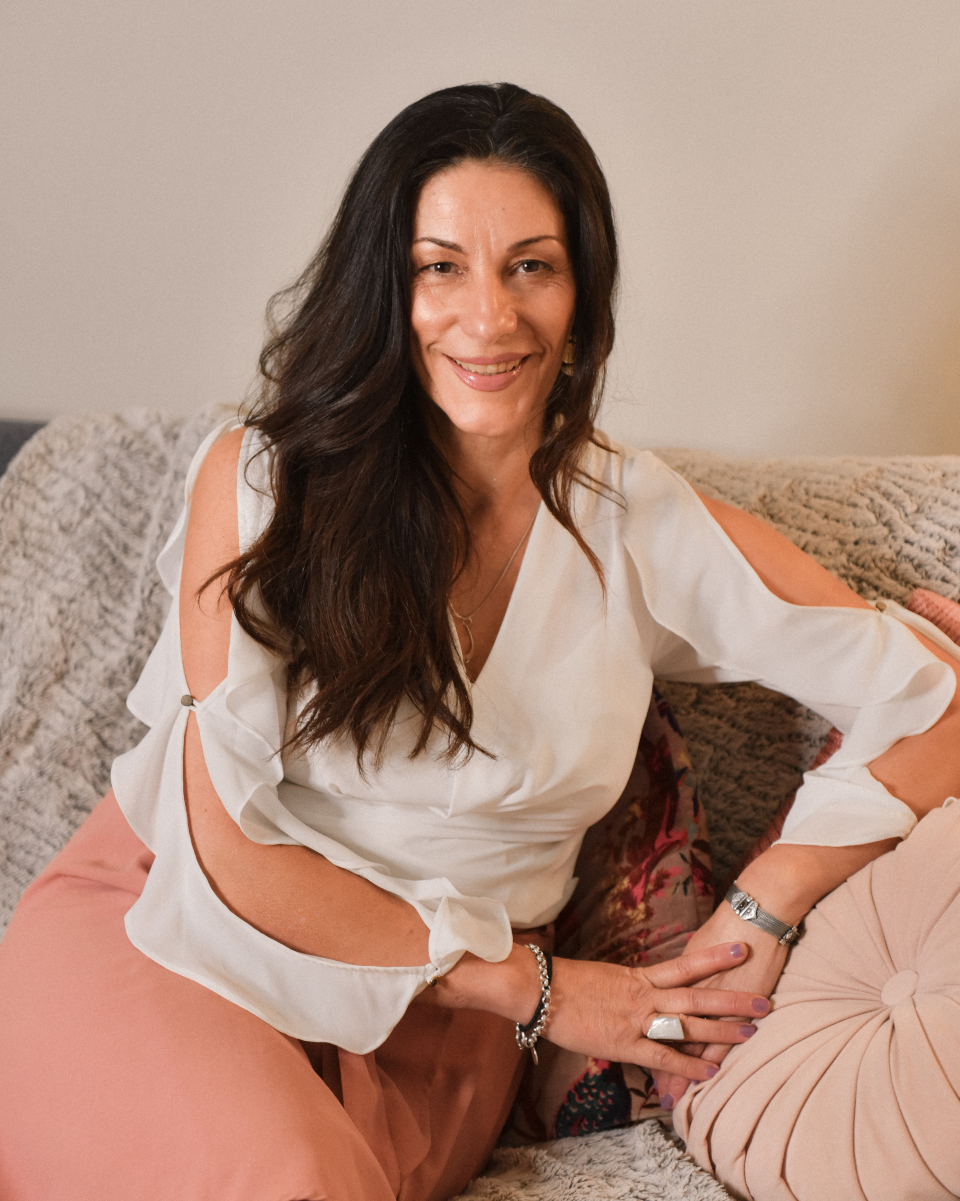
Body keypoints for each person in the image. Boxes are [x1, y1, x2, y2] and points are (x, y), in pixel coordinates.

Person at [0, 82, 958, 1201]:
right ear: (385, 285)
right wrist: (543, 990)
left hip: (428, 1045)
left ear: (583, 292)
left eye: (531, 266)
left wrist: (769, 898)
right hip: (180, 932)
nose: (489, 316)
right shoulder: (264, 480)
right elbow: (227, 848)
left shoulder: (640, 524)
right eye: (440, 267)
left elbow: (933, 697)